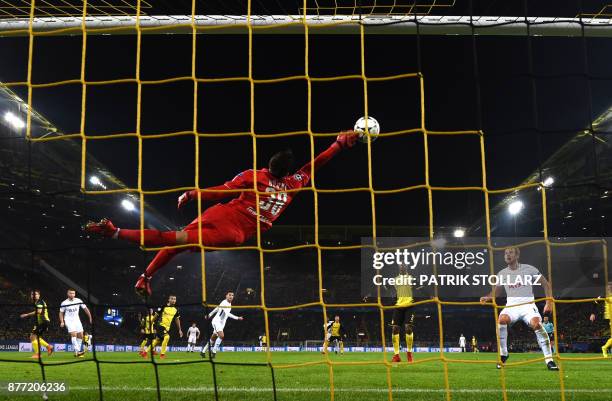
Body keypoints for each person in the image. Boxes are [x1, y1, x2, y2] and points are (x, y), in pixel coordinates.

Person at [84, 133, 359, 296]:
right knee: (173, 240)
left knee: (172, 239)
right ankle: (144, 275)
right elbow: (314, 165)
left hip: (220, 219)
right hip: (231, 233)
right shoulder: (294, 184)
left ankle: (119, 236)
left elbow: (222, 190)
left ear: (269, 165)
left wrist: (194, 194)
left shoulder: (256, 176)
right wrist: (338, 145)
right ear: (287, 172)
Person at [480, 247, 558, 371]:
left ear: (517, 255)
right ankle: (503, 354)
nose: (507, 255)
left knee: (537, 324)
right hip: (511, 306)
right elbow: (497, 291)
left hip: (528, 305)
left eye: (510, 252)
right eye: (505, 253)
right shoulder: (502, 273)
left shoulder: (529, 269)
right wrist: (488, 297)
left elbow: (546, 284)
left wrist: (549, 301)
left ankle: (549, 360)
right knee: (501, 319)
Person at [201, 291, 243, 359]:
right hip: (216, 321)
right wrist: (237, 318)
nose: (231, 296)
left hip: (221, 324)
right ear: (226, 296)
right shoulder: (224, 302)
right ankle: (214, 352)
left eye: (232, 295)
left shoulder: (229, 304)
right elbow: (227, 314)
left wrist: (209, 314)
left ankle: (203, 352)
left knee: (213, 338)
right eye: (229, 295)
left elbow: (217, 308)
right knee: (221, 336)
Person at [390, 264, 415, 363]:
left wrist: (430, 295)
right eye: (400, 267)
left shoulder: (411, 278)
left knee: (408, 328)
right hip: (399, 306)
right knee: (395, 329)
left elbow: (419, 288)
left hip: (409, 305)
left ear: (406, 269)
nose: (401, 268)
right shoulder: (396, 279)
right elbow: (395, 292)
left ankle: (409, 353)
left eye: (403, 267)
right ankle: (396, 356)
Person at [19, 290, 54, 358]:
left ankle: (38, 354)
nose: (34, 296)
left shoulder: (40, 302)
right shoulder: (37, 302)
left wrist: (27, 314)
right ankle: (48, 347)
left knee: (32, 337)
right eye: (32, 294)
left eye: (35, 294)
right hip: (41, 322)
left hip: (43, 321)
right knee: (35, 337)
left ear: (39, 295)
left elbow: (39, 311)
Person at [59, 288, 93, 358]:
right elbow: (61, 313)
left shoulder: (78, 300)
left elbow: (85, 309)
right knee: (73, 334)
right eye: (70, 293)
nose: (72, 295)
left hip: (77, 320)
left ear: (75, 294)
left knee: (80, 335)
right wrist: (62, 321)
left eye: (73, 293)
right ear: (67, 294)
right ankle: (78, 351)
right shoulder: (64, 303)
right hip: (68, 320)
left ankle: (77, 351)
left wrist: (90, 317)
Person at [589, 281, 612, 358]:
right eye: (609, 286)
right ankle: (604, 347)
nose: (610, 288)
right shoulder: (604, 295)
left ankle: (605, 347)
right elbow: (595, 302)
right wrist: (592, 313)